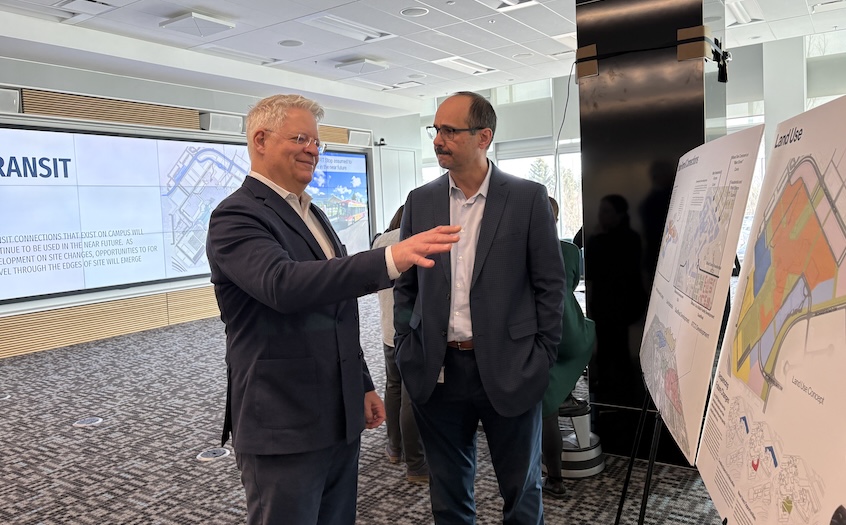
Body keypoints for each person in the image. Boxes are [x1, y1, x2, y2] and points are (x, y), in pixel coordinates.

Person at [205, 94, 460, 525]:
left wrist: (360, 384)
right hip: (284, 424)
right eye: (301, 138)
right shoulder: (236, 216)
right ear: (260, 140)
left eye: (317, 142)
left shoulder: (312, 213)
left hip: (337, 416)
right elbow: (282, 285)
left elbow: (336, 311)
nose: (313, 149)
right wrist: (390, 259)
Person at [393, 91, 566, 525]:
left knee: (522, 490)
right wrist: (406, 342)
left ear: (484, 136)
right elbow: (406, 286)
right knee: (448, 493)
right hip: (438, 370)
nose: (439, 139)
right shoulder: (421, 201)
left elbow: (550, 285)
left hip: (511, 367)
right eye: (436, 130)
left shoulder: (527, 198)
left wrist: (542, 356)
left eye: (450, 131)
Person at [540, 198, 596, 499]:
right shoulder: (570, 250)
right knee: (589, 333)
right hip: (572, 330)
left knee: (545, 409)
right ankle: (568, 392)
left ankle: (555, 480)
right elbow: (572, 284)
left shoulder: (518, 250)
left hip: (543, 335)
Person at [372, 205, 428, 483]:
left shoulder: (381, 240)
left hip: (387, 329)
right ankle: (416, 464)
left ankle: (394, 448)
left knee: (393, 386)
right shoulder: (416, 240)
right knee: (411, 395)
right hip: (412, 330)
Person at [584, 194, 647, 405]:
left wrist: (596, 239)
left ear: (619, 214)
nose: (601, 215)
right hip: (607, 302)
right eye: (601, 211)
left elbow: (619, 270)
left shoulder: (627, 238)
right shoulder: (602, 237)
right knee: (607, 347)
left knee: (617, 349)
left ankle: (619, 396)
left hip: (621, 302)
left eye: (606, 211)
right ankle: (613, 393)